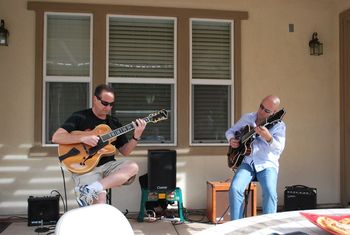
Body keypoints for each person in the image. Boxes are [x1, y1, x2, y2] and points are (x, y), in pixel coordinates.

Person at [52, 84, 147, 207]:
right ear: (95, 99)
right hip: (85, 167)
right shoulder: (80, 116)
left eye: (111, 104)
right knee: (99, 202)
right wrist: (83, 138)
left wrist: (136, 136)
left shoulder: (114, 123)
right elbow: (57, 137)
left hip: (108, 166)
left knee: (133, 167)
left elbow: (125, 151)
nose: (108, 108)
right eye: (105, 103)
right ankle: (93, 191)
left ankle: (92, 188)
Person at [225, 95, 286, 220]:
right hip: (247, 162)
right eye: (261, 107)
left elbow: (279, 148)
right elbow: (230, 131)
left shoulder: (279, 126)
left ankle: (268, 228)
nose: (261, 111)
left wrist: (268, 137)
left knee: (270, 192)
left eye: (267, 111)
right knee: (235, 188)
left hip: (267, 164)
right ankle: (236, 226)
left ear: (274, 113)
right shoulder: (248, 117)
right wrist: (231, 139)